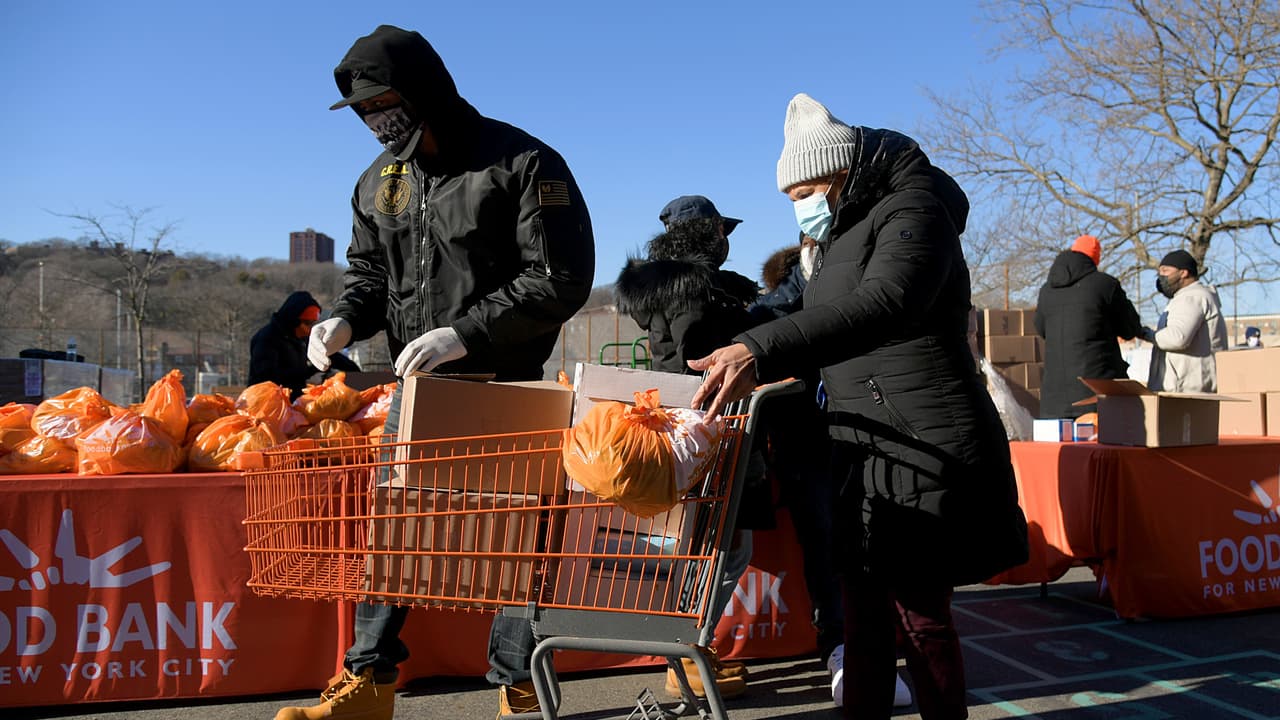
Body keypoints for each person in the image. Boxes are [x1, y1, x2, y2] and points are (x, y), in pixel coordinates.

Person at [275, 25, 594, 720]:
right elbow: (369, 274)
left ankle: (519, 684)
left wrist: (465, 333)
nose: (375, 120)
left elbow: (560, 277)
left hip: (510, 383)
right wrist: (346, 319)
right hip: (417, 389)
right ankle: (369, 682)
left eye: (383, 103)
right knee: (395, 529)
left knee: (517, 540)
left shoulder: (521, 162)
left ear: (424, 92)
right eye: (362, 111)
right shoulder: (379, 180)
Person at [688, 93, 1029, 719]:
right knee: (864, 617)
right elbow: (824, 324)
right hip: (862, 448)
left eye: (804, 192)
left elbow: (887, 302)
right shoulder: (839, 233)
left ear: (840, 172)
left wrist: (760, 349)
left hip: (923, 440)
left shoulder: (915, 207)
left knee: (920, 619)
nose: (800, 207)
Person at [748, 236, 913, 709]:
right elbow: (768, 326)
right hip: (808, 440)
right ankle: (841, 647)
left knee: (876, 540)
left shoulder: (868, 275)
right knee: (827, 542)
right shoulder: (784, 298)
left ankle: (875, 646)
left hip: (866, 429)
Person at [615, 211, 760, 700]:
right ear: (703, 232)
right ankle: (688, 653)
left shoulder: (666, 288)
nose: (725, 239)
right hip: (710, 430)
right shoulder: (696, 291)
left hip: (683, 431)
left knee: (708, 547)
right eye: (720, 230)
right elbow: (698, 360)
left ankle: (688, 652)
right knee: (725, 549)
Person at [1034, 234, 1143, 418]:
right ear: (1095, 258)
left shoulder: (1046, 290)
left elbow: (1040, 328)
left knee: (1063, 438)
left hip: (1053, 398)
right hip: (1098, 393)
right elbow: (1130, 329)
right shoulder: (1105, 285)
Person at [1142, 249, 1227, 392]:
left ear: (1183, 273)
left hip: (1187, 390)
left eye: (1165, 271)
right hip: (1187, 389)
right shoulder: (1187, 297)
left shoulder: (1191, 297)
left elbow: (1178, 338)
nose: (1160, 276)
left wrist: (1145, 334)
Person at [248, 291, 359, 400]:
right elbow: (267, 380)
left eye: (313, 323)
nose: (310, 329)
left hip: (295, 400)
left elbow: (331, 356)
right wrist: (310, 372)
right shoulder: (267, 339)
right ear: (292, 321)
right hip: (267, 403)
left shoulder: (300, 337)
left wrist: (354, 371)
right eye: (307, 323)